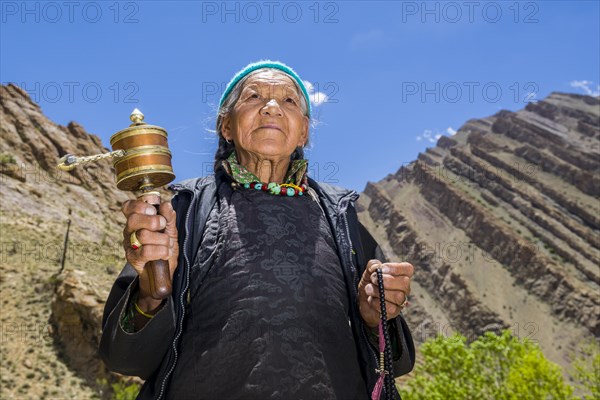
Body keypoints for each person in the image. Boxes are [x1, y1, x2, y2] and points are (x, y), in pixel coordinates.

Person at [99, 60, 416, 400]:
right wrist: (151, 294)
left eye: (289, 101)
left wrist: (375, 317)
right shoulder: (183, 211)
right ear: (227, 127)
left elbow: (394, 363)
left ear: (303, 132)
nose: (272, 108)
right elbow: (123, 358)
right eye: (253, 97)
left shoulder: (343, 218)